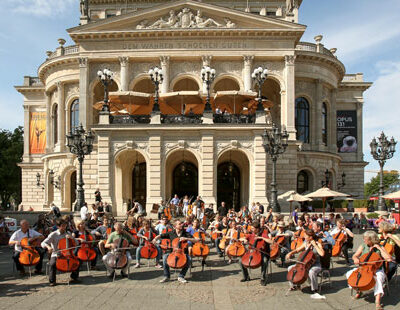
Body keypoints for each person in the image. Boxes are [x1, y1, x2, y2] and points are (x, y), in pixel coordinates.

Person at [346, 231, 394, 309]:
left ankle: (377, 302)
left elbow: (388, 259)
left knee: (378, 279)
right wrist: (355, 258)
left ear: (371, 240)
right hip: (363, 268)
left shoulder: (380, 247)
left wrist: (379, 248)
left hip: (376, 270)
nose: (364, 240)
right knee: (349, 274)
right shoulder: (363, 245)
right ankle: (359, 290)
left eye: (365, 239)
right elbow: (355, 255)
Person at [286, 229, 325, 299]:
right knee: (290, 268)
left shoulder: (318, 243)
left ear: (310, 237)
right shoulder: (306, 243)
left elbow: (322, 254)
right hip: (304, 264)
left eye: (305, 236)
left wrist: (315, 245)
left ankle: (315, 290)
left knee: (311, 272)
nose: (304, 237)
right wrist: (290, 253)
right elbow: (297, 250)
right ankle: (295, 285)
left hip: (316, 264)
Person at [41, 218, 80, 286]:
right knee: (52, 263)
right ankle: (52, 280)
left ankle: (74, 277)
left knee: (77, 261)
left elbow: (76, 243)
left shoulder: (68, 233)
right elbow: (43, 243)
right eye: (63, 226)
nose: (64, 228)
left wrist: (71, 238)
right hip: (57, 254)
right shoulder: (53, 234)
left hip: (68, 253)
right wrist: (48, 247)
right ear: (58, 226)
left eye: (65, 226)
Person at [239, 221, 272, 285]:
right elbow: (241, 239)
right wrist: (244, 240)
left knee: (265, 260)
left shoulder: (264, 234)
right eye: (251, 228)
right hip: (251, 252)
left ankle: (263, 278)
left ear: (257, 229)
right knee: (240, 260)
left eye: (253, 228)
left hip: (261, 253)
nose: (251, 229)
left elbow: (271, 242)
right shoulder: (251, 235)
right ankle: (246, 276)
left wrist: (262, 238)